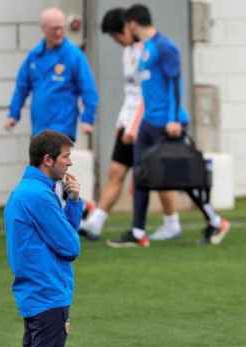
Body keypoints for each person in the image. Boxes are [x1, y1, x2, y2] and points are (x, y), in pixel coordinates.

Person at [108, 4, 229, 248]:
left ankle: (215, 221)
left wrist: (173, 118)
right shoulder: (146, 49)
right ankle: (138, 232)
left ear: (132, 24)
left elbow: (175, 83)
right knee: (141, 175)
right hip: (148, 124)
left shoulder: (165, 47)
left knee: (182, 178)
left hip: (167, 124)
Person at [79, 7, 181, 242]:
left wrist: (135, 127)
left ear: (128, 27)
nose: (118, 42)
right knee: (116, 170)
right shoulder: (127, 52)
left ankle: (171, 222)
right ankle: (95, 223)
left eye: (117, 36)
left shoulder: (151, 49)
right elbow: (131, 93)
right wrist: (122, 122)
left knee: (155, 175)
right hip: (130, 121)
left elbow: (150, 93)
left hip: (146, 123)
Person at [4, 130, 82, 347]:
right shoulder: (39, 196)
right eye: (65, 156)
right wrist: (75, 206)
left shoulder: (25, 190)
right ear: (48, 160)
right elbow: (70, 246)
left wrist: (73, 202)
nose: (70, 162)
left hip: (34, 292)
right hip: (47, 293)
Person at [5, 7, 98, 142]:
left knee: (53, 162)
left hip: (62, 129)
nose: (59, 32)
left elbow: (88, 89)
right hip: (39, 128)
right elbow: (21, 87)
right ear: (44, 29)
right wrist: (13, 114)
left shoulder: (74, 55)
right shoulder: (35, 56)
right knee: (39, 163)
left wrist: (87, 119)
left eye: (61, 28)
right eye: (54, 29)